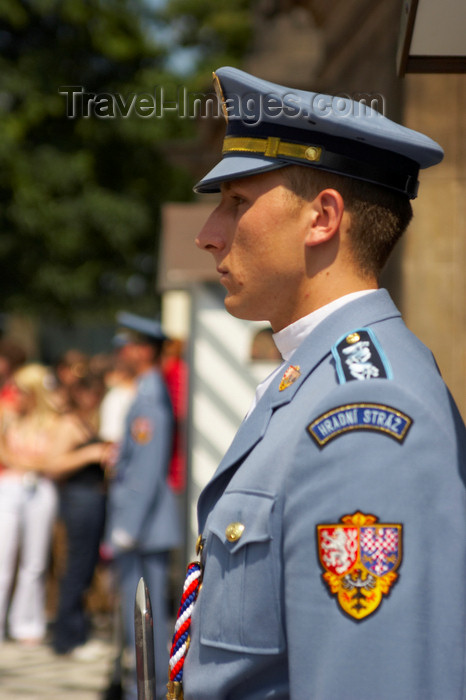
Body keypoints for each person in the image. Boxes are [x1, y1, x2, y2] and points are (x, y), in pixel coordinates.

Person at [167, 67, 466, 700]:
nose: (207, 233)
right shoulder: (314, 381)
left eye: (237, 202)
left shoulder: (364, 412)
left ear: (322, 218)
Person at [104, 312, 182, 700]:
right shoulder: (148, 390)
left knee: (144, 620)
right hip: (147, 524)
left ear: (143, 350)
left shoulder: (149, 395)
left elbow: (147, 469)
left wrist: (127, 526)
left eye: (128, 345)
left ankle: (147, 693)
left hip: (143, 527)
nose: (123, 353)